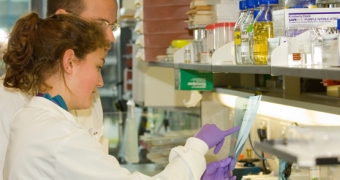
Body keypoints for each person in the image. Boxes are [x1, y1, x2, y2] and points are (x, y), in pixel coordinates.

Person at [2, 12, 239, 179]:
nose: (101, 80)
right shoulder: (57, 135)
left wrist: (195, 175)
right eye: (98, 66)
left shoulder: (31, 118)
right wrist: (196, 147)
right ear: (70, 61)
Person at [0, 0, 118, 178]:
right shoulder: (7, 98)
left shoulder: (85, 90)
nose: (110, 37)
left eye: (113, 26)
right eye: (100, 24)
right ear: (65, 19)